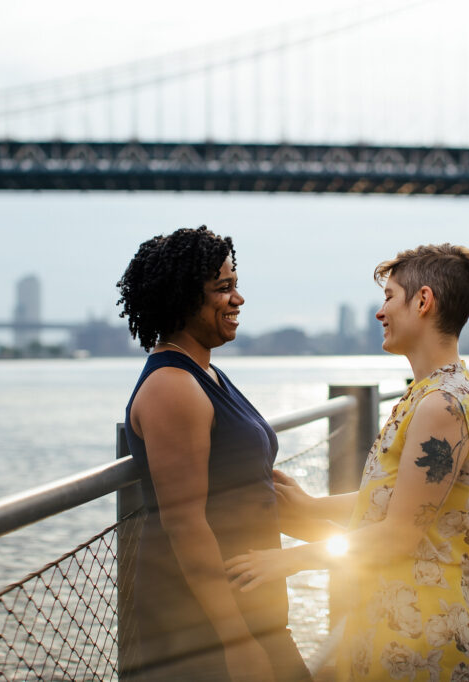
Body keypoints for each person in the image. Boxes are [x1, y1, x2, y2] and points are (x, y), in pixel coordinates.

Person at [225, 244, 469, 682]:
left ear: (423, 302)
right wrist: (311, 508)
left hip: (416, 627)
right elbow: (396, 499)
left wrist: (286, 561)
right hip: (392, 609)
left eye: (389, 297)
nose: (380, 312)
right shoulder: (434, 391)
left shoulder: (441, 404)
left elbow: (398, 535)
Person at [117, 225, 311, 682]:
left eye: (235, 284)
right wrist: (236, 642)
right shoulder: (172, 387)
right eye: (223, 288)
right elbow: (185, 524)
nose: (238, 299)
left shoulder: (207, 374)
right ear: (184, 299)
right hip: (201, 626)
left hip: (252, 607)